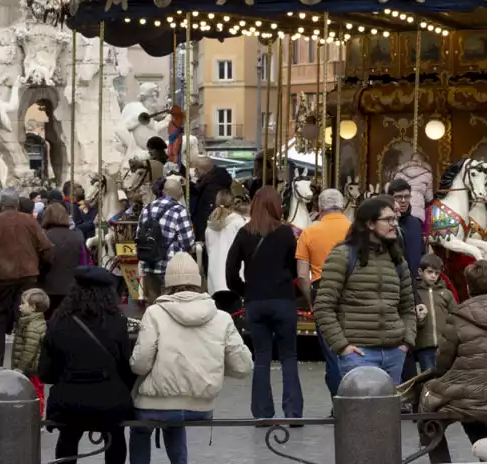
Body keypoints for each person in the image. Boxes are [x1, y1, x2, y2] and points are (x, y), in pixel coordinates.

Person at [129, 252, 252, 464]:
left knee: (143, 427)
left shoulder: (155, 313)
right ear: (198, 282)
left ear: (168, 283)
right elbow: (243, 367)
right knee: (174, 420)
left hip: (155, 404)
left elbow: (140, 366)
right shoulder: (221, 318)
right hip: (200, 406)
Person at [419, 261, 487, 463]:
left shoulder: (458, 316)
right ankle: (484, 452)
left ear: (468, 288)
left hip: (469, 395)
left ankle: (441, 460)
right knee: (472, 408)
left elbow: (443, 364)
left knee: (428, 404)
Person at [313, 195, 416, 385]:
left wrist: (406, 342)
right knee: (361, 413)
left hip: (394, 353)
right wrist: (342, 347)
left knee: (387, 413)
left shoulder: (397, 260)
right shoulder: (343, 255)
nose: (395, 224)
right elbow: (323, 307)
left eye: (395, 219)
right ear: (370, 224)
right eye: (388, 220)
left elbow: (408, 307)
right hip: (359, 354)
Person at [39, 267, 135, 464]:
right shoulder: (117, 322)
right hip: (110, 400)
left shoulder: (58, 322)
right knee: (116, 436)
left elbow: (46, 374)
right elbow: (126, 368)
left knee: (68, 438)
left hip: (69, 402)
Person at [225, 186, 303, 419]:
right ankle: (293, 411)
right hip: (283, 300)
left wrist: (245, 290)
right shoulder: (287, 234)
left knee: (261, 358)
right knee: (289, 357)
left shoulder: (244, 232)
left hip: (255, 302)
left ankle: (262, 412)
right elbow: (294, 268)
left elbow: (230, 272)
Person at [0, 189, 53, 372]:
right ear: (17, 204)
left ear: (1, 204)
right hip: (28, 275)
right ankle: (24, 363)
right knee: (25, 317)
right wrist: (41, 267)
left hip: (1, 278)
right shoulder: (29, 220)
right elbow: (46, 246)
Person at [296, 187, 351, 398]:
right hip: (351, 290)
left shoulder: (309, 232)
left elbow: (302, 275)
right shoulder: (354, 229)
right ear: (343, 206)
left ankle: (339, 401)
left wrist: (310, 299)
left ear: (319, 208)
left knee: (331, 351)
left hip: (322, 289)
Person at [138, 176, 195, 302]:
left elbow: (138, 235)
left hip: (148, 264)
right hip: (170, 267)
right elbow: (188, 241)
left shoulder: (146, 209)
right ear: (180, 193)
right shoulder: (180, 211)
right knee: (171, 305)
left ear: (164, 191)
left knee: (154, 304)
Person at [40, 203, 86, 317]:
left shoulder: (45, 236)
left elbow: (41, 262)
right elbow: (83, 261)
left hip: (49, 288)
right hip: (72, 288)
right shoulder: (77, 236)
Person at [414, 253, 456, 374]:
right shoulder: (415, 293)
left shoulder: (446, 293)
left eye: (436, 273)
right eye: (430, 272)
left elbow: (455, 315)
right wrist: (419, 319)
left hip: (444, 345)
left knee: (444, 376)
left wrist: (450, 335)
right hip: (424, 345)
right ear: (420, 272)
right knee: (427, 376)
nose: (433, 276)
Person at [204, 189, 245, 312]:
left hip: (214, 282)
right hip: (234, 280)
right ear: (233, 204)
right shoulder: (239, 223)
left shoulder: (209, 227)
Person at [11, 288, 49, 414]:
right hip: (31, 369)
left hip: (31, 369)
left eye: (23, 303)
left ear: (32, 307)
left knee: (34, 393)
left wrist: (21, 368)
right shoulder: (31, 322)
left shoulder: (33, 326)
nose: (20, 306)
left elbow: (29, 350)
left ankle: (36, 417)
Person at [387, 178, 427, 286]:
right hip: (392, 282)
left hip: (414, 282)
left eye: (407, 196)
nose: (403, 200)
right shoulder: (385, 223)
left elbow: (422, 252)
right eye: (399, 197)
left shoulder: (415, 223)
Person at [190, 155, 233, 242]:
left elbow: (206, 214)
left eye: (197, 169)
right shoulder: (206, 184)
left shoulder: (212, 188)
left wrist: (201, 238)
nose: (195, 171)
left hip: (208, 234)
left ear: (204, 170)